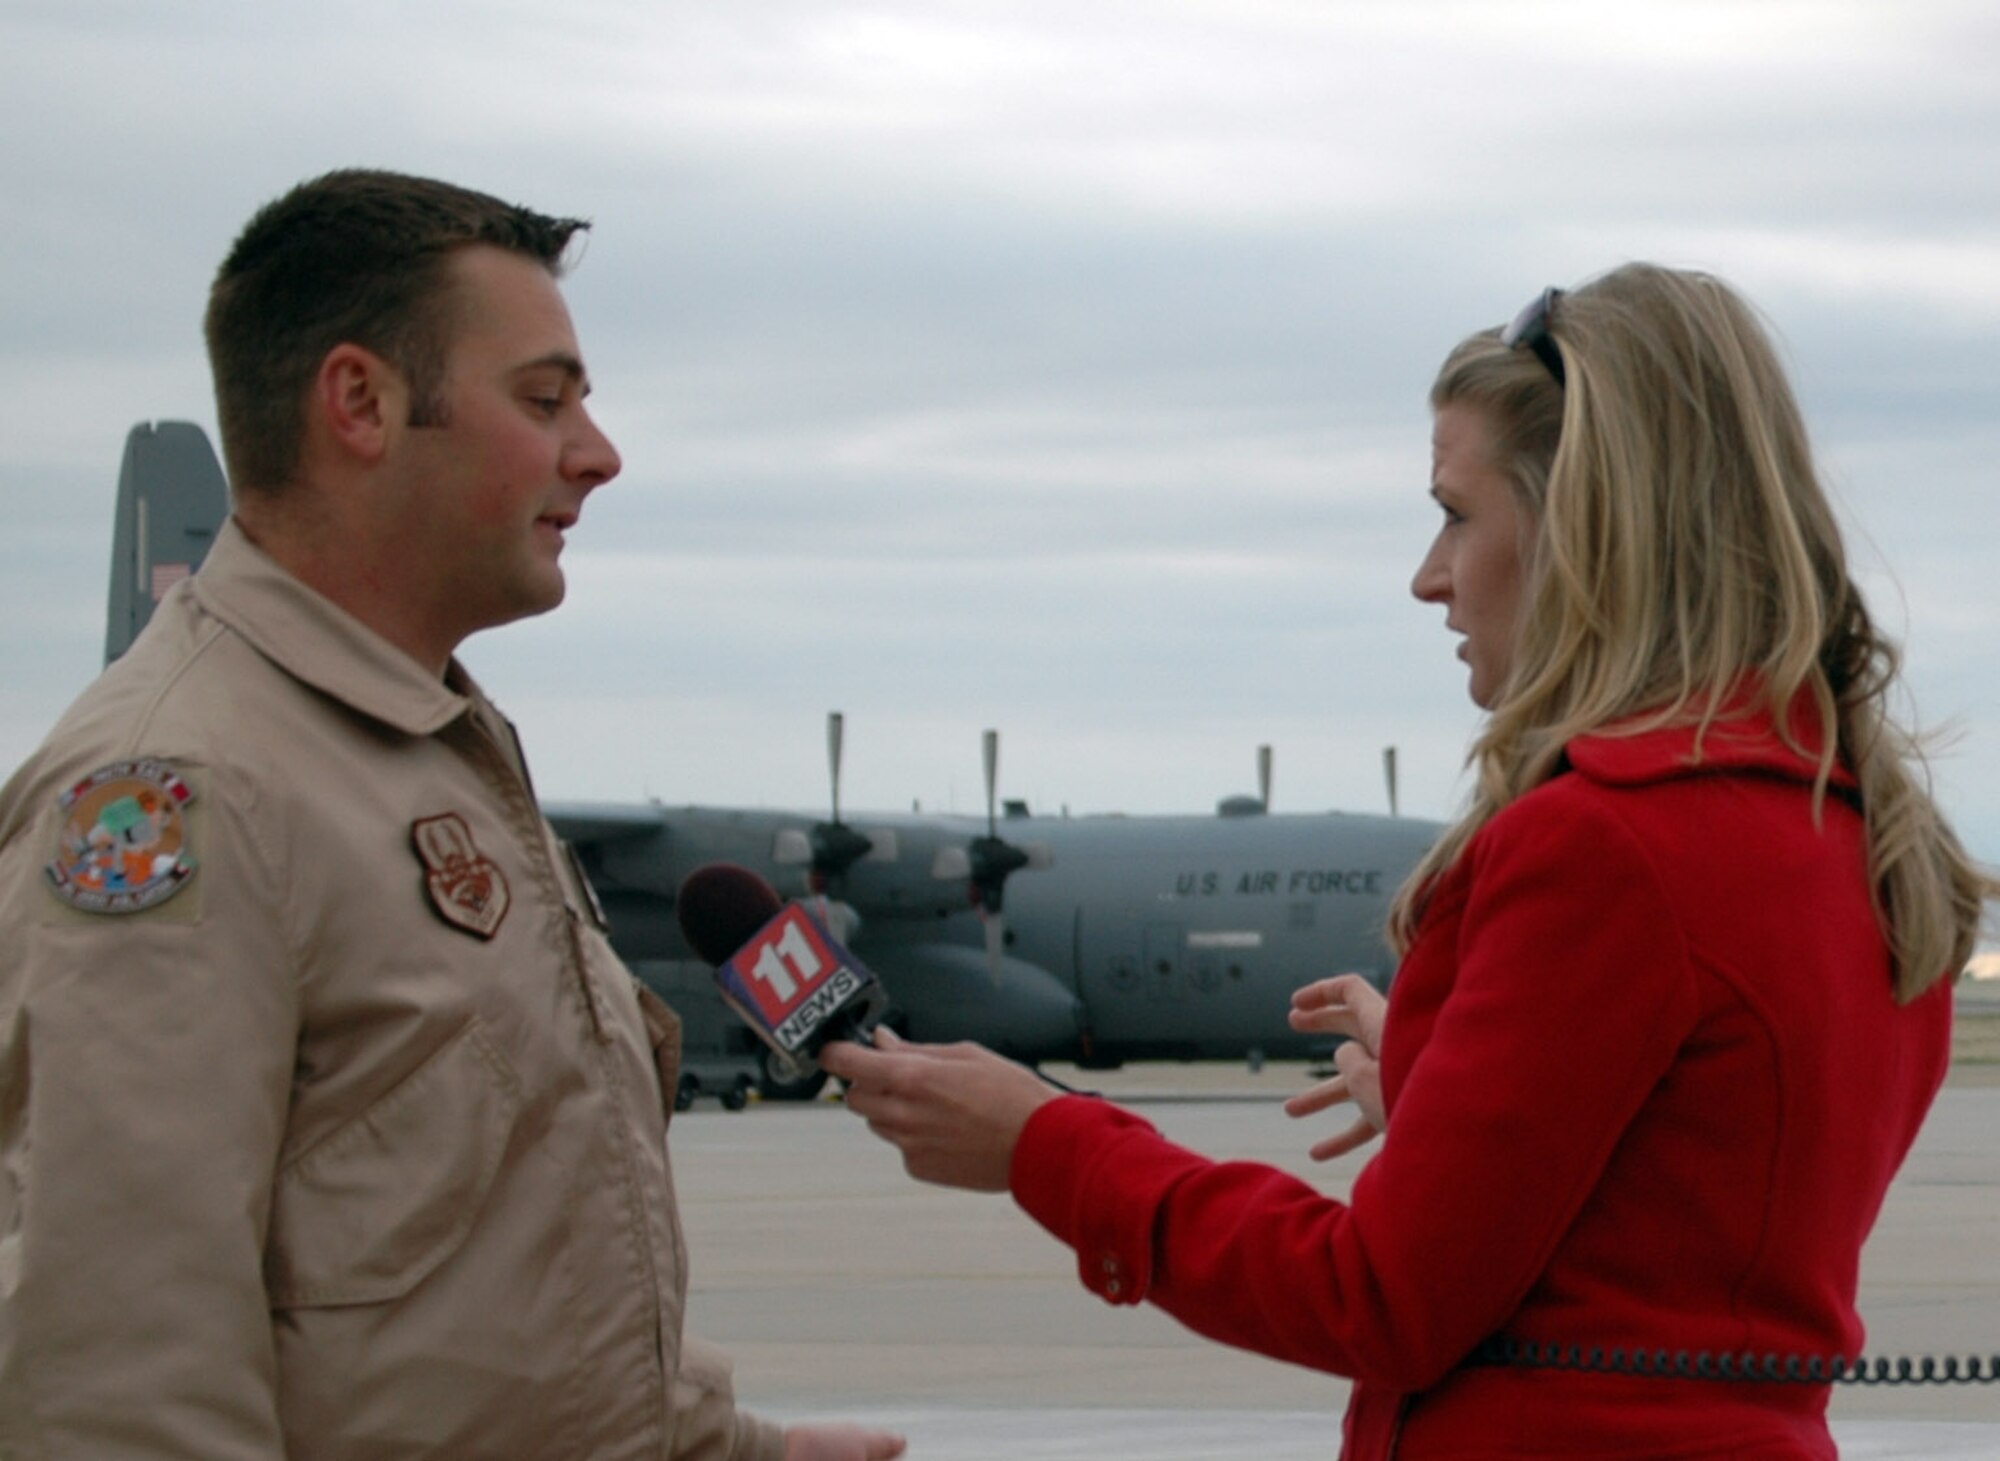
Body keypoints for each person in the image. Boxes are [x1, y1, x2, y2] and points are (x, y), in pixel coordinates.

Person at [823, 263, 1994, 1458]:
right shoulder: (1853, 832)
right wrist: (1447, 1101)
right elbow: (1692, 1215)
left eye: (1454, 514)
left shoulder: (1600, 844)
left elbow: (1379, 1300)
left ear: (1581, 528)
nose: (1427, 577)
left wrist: (1046, 1143)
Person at [0, 170, 903, 1461]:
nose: (598, 452)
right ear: (360, 404)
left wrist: (733, 1451)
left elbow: (463, 1307)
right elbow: (118, 1374)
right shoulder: (184, 795)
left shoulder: (430, 758)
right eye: (543, 400)